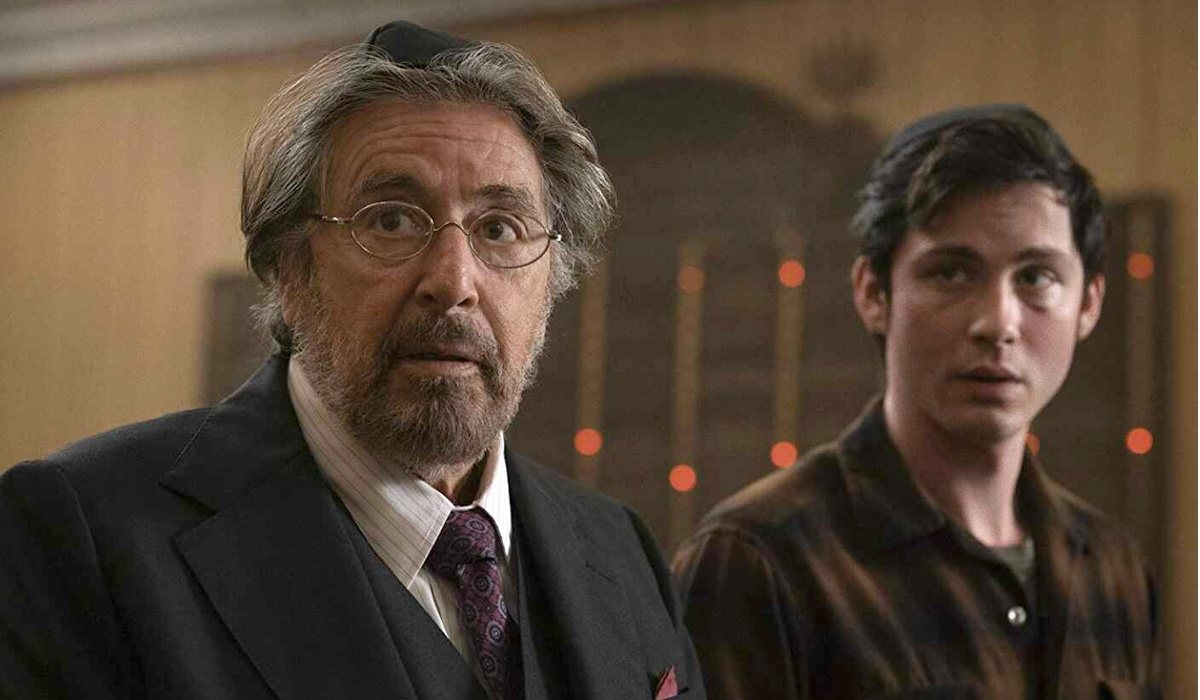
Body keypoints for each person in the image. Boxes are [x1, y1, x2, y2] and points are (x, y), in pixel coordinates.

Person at [0, 21, 701, 700]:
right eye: (391, 220)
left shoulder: (622, 550)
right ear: (289, 268)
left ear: (552, 280)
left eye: (499, 228)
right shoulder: (81, 536)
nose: (453, 281)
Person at [673, 105, 1159, 699]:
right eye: (951, 273)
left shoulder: (1112, 567)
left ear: (1088, 304)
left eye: (1036, 277)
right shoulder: (761, 563)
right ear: (874, 293)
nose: (997, 323)